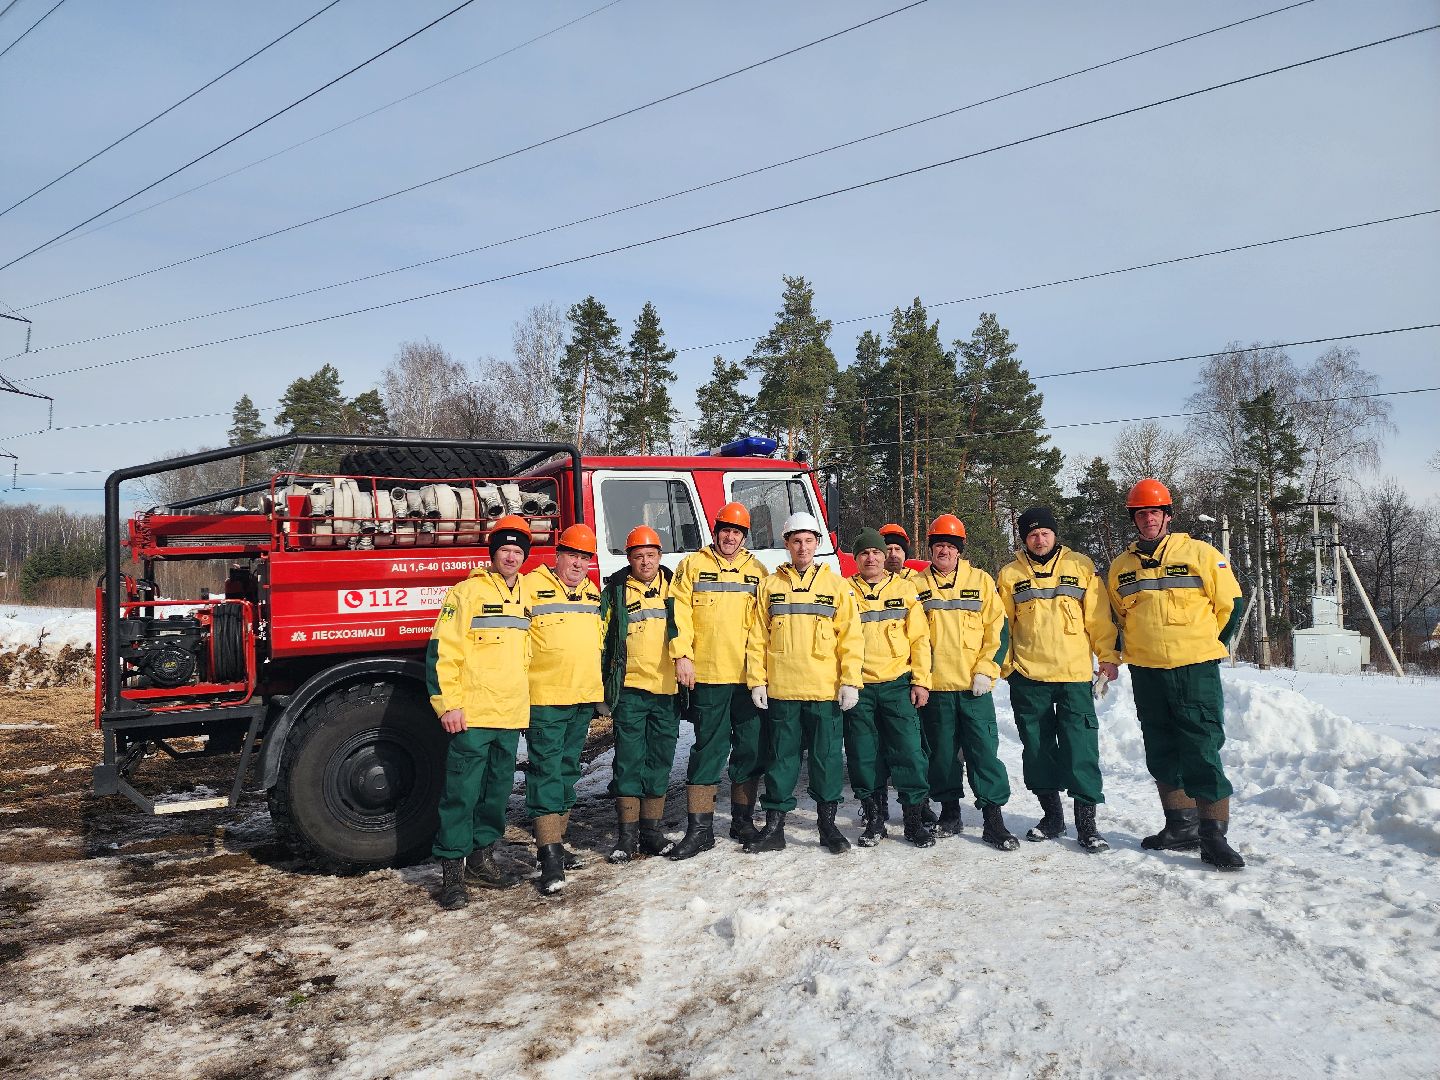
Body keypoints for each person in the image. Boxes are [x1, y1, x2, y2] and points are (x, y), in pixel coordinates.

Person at [1107, 479, 1246, 871]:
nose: (1148, 519)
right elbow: (1118, 618)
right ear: (1134, 519)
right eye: (1141, 514)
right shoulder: (1121, 567)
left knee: (1201, 745)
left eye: (1154, 512)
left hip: (1194, 668)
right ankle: (1180, 825)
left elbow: (1231, 605)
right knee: (1160, 745)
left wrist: (1207, 647)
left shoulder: (1201, 553)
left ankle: (1213, 836)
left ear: (1167, 515)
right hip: (1146, 670)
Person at [426, 514, 533, 910]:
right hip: (472, 715)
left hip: (510, 716)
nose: (511, 557)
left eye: (517, 551)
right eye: (505, 550)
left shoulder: (528, 594)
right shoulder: (466, 592)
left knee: (495, 794)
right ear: (493, 553)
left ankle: (481, 862)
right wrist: (448, 705)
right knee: (461, 794)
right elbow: (443, 652)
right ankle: (453, 875)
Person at [997, 505, 1120, 852]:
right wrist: (1007, 667)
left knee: (1080, 748)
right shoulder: (1009, 574)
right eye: (1032, 534)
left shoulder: (1080, 566)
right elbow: (1001, 626)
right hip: (1028, 676)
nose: (1039, 539)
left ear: (1054, 534)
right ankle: (1052, 817)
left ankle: (1087, 825)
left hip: (1073, 675)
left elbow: (1099, 618)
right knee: (1037, 750)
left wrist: (1107, 656)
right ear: (1024, 538)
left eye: (1045, 533)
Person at [745, 511, 863, 855]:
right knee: (781, 760)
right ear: (787, 544)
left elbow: (851, 638)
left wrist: (850, 681)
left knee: (826, 760)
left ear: (817, 543)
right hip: (783, 690)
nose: (802, 547)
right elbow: (757, 637)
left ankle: (828, 827)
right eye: (796, 540)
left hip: (824, 690)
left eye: (809, 540)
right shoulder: (770, 586)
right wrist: (757, 681)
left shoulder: (836, 586)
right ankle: (775, 829)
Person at [668, 502, 769, 860]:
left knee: (750, 749)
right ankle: (700, 830)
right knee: (708, 750)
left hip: (747, 678)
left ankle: (742, 821)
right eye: (725, 530)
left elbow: (765, 624)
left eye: (736, 532)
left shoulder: (758, 571)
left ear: (744, 537)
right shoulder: (692, 565)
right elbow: (677, 613)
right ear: (715, 531)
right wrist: (682, 655)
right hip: (709, 676)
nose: (730, 537)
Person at [916, 514, 1020, 850]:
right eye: (938, 545)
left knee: (983, 752)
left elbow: (998, 630)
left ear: (960, 549)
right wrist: (919, 680)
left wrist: (986, 670)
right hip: (936, 689)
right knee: (942, 755)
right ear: (930, 549)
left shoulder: (981, 581)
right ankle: (950, 813)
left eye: (950, 545)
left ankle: (993, 820)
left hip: (974, 688)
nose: (944, 551)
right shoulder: (916, 586)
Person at [524, 523, 605, 894]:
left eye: (585, 558)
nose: (578, 563)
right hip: (545, 699)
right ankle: (549, 856)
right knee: (546, 771)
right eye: (572, 555)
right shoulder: (530, 587)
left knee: (568, 770)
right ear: (557, 555)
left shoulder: (591, 592)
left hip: (581, 698)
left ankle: (556, 842)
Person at [845, 528, 935, 848]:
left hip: (897, 683)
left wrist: (921, 680)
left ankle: (913, 820)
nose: (870, 558)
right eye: (864, 553)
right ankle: (874, 818)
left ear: (884, 557)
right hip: (860, 686)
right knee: (863, 754)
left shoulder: (905, 589)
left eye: (876, 552)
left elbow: (920, 639)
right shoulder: (845, 591)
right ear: (856, 559)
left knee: (909, 751)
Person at [600, 525, 679, 864]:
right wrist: (602, 686)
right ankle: (627, 835)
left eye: (650, 555)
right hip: (630, 690)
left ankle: (651, 831)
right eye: (638, 556)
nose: (645, 562)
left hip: (667, 690)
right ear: (629, 559)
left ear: (659, 556)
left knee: (660, 760)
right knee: (629, 760)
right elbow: (602, 639)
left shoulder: (676, 586)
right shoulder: (616, 592)